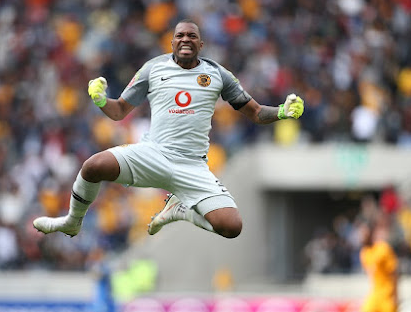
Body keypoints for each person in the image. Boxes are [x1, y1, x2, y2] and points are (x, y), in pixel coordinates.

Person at [33, 19, 304, 239]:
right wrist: (101, 100)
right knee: (93, 166)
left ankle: (181, 210)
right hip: (154, 154)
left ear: (201, 43)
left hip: (192, 166)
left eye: (192, 35)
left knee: (232, 227)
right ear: (172, 41)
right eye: (180, 35)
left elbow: (255, 112)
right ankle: (72, 221)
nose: (186, 39)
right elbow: (119, 111)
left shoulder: (218, 75)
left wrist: (282, 111)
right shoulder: (153, 69)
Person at [359, 221, 399, 312]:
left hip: (387, 294)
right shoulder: (364, 253)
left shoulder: (383, 249)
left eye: (364, 233)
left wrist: (395, 295)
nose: (361, 236)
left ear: (371, 233)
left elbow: (394, 273)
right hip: (375, 293)